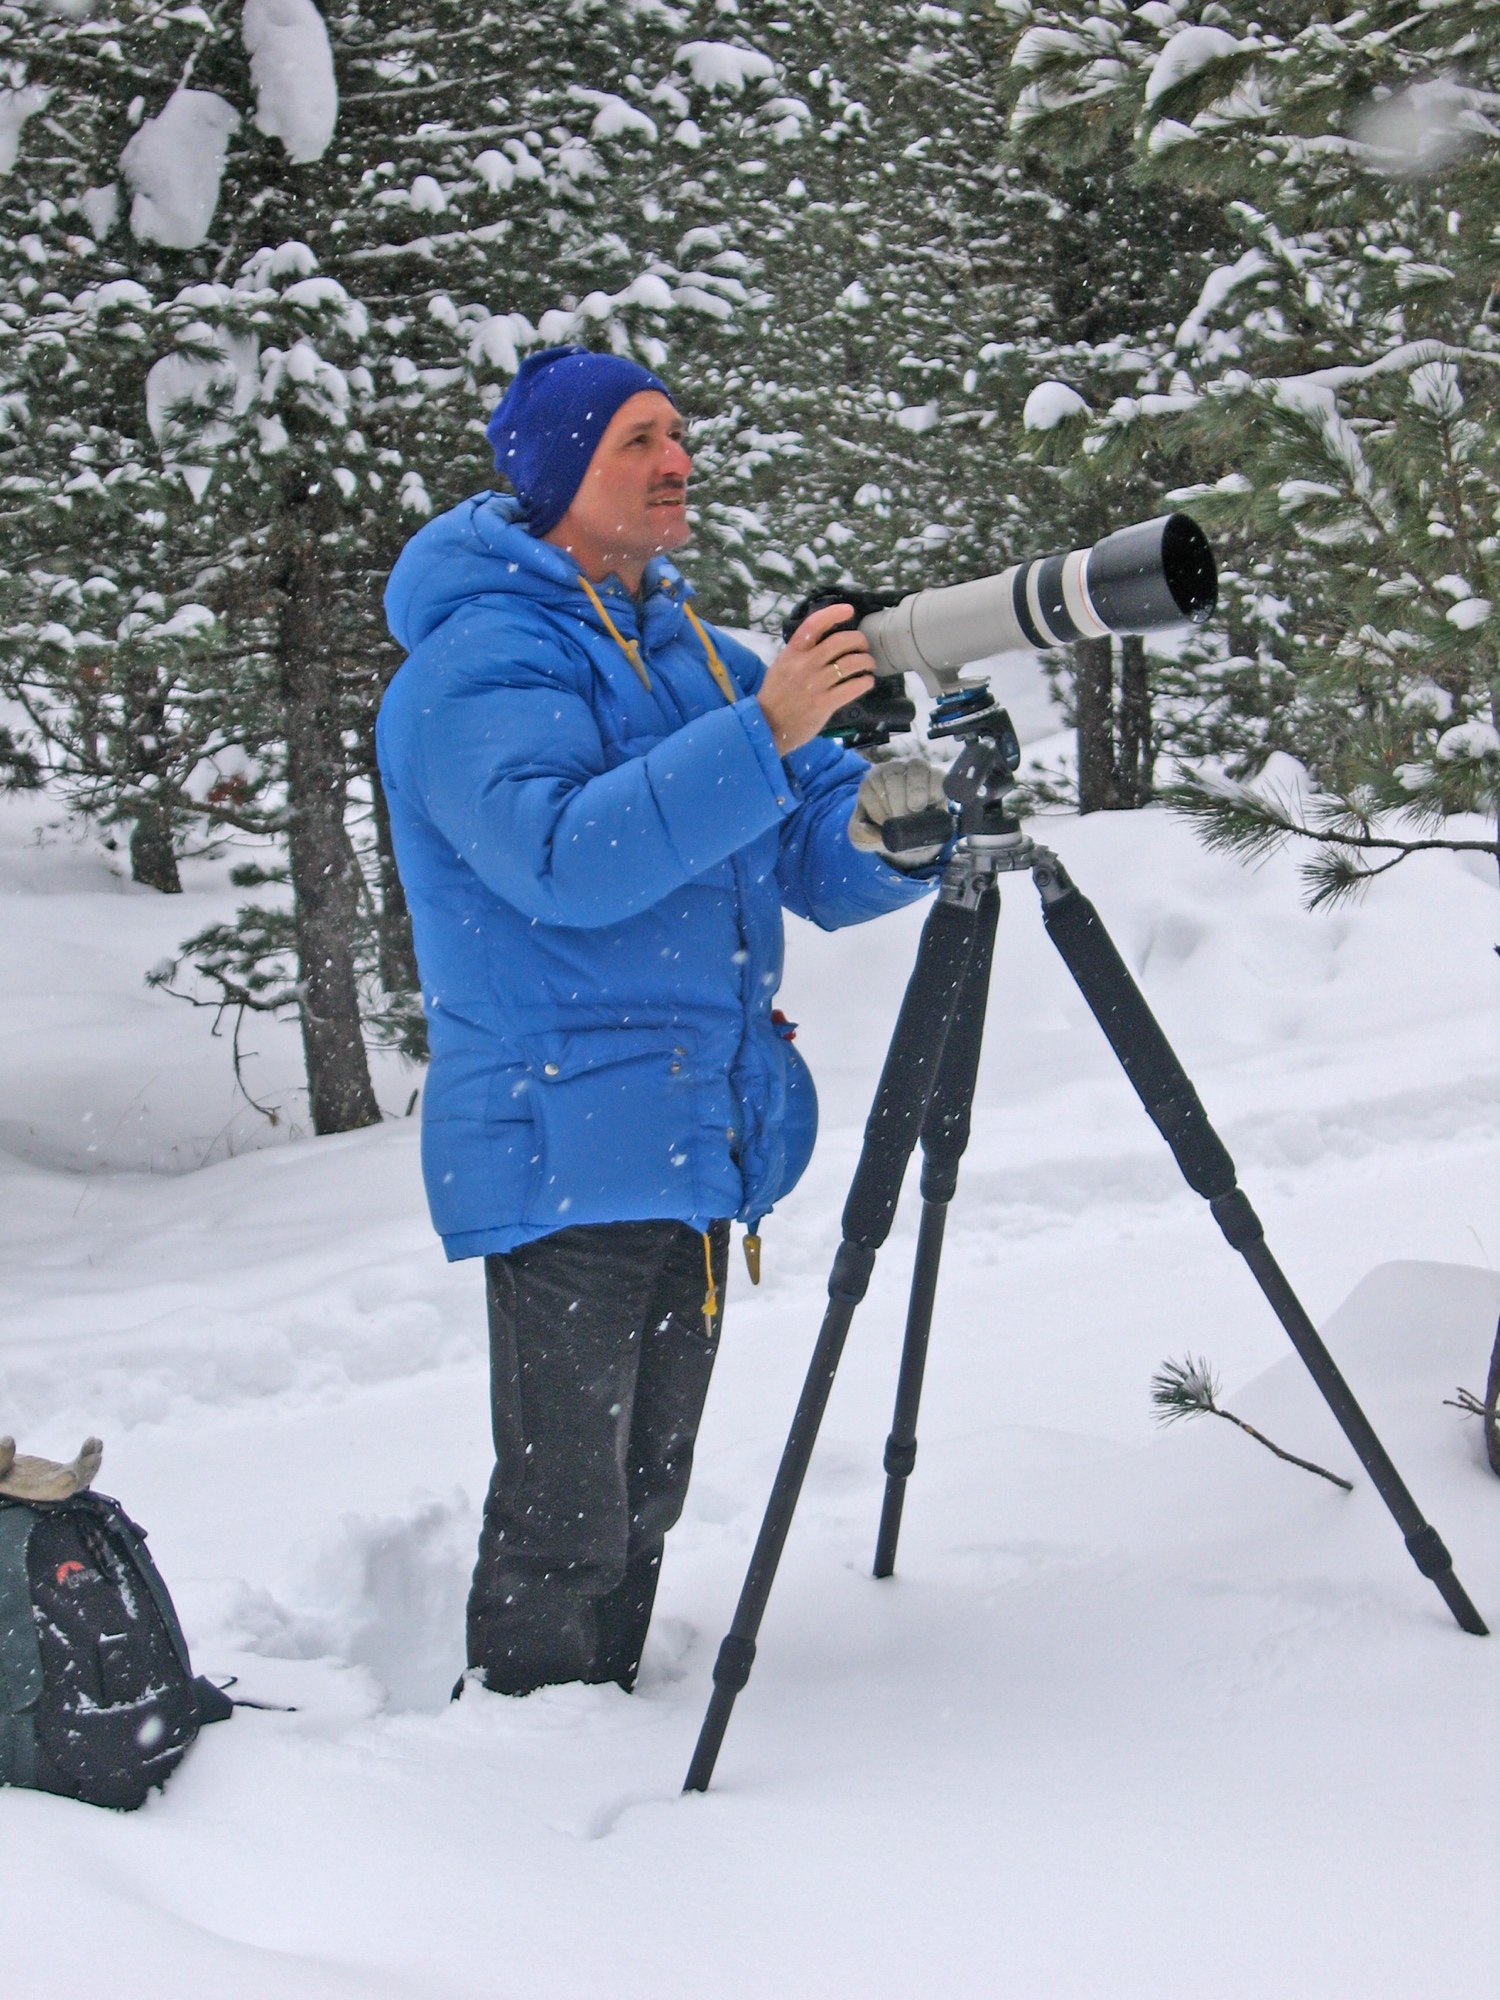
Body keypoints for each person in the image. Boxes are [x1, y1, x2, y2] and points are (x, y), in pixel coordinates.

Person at [378, 345, 950, 1698]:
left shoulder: (697, 645)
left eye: (678, 433)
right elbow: (565, 861)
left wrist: (891, 833)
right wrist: (765, 733)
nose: (676, 458)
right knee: (566, 1518)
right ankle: (518, 1754)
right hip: (560, 1127)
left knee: (645, 1496)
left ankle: (608, 1720)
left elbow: (809, 847)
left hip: (697, 1124)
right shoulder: (479, 664)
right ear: (559, 472)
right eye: (638, 439)